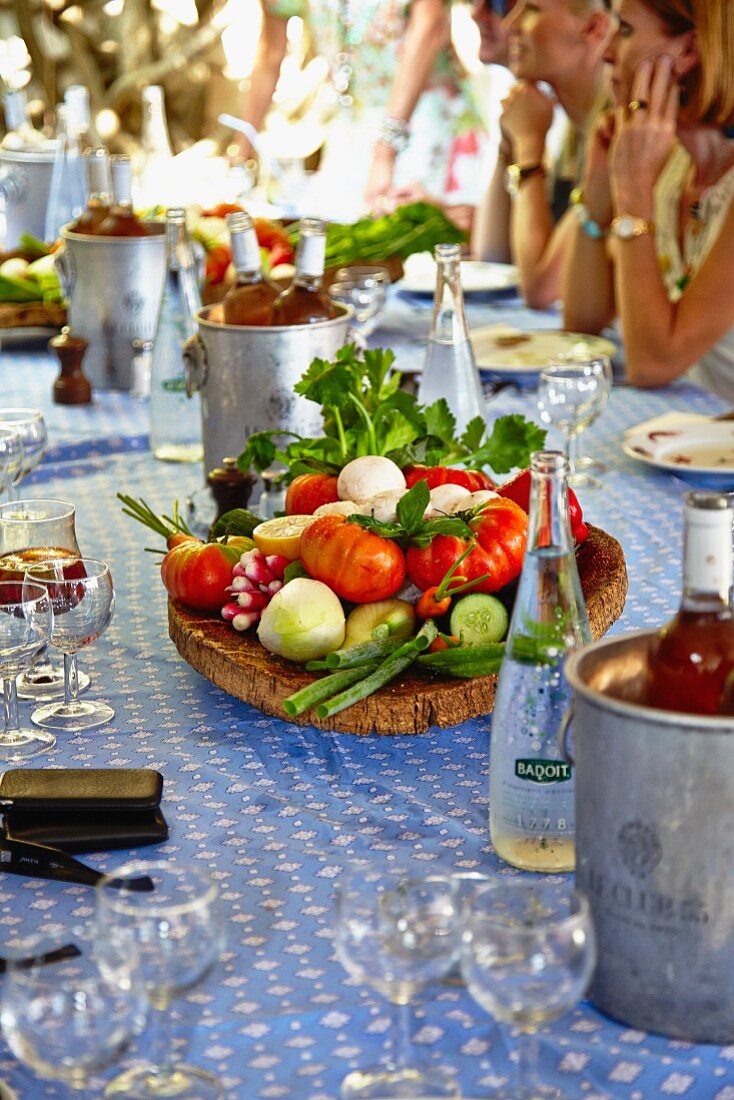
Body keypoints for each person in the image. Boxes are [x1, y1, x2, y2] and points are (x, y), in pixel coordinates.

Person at [563, 0, 734, 401]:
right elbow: (580, 324)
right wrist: (598, 192)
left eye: (624, 31)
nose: (606, 52)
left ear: (688, 51)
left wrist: (634, 194)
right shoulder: (673, 164)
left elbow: (652, 363)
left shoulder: (654, 171)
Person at [235, 0, 487, 223]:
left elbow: (429, 29)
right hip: (350, 128)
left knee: (418, 246)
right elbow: (269, 54)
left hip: (423, 127)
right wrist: (240, 156)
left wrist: (384, 152)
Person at [472, 0, 612, 309]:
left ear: (593, 28)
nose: (510, 24)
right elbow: (491, 256)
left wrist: (529, 147)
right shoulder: (573, 128)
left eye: (532, 9)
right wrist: (508, 144)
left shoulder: (612, 133)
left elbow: (539, 289)